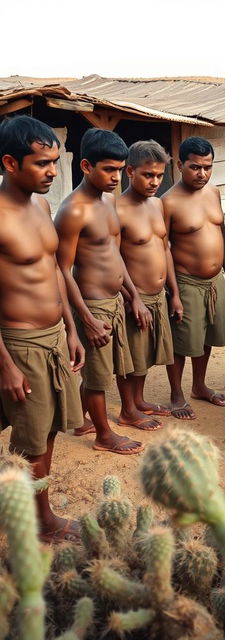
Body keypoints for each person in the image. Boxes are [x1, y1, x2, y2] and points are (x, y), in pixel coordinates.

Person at [0, 116, 85, 542]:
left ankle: (35, 509)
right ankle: (37, 519)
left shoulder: (41, 205)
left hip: (53, 337)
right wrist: (6, 365)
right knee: (30, 437)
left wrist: (70, 327)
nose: (53, 171)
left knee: (48, 428)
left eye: (55, 161)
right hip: (19, 343)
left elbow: (53, 268)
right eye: (42, 163)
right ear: (10, 163)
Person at [56, 128, 148, 455]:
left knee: (108, 368)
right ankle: (103, 436)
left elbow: (114, 255)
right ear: (85, 166)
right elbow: (62, 269)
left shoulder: (109, 202)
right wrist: (85, 319)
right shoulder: (73, 211)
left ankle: (80, 419)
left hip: (114, 300)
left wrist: (133, 295)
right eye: (108, 169)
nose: (116, 177)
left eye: (120, 169)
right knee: (96, 377)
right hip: (91, 304)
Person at [161, 136, 225, 419]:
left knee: (207, 336)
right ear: (180, 165)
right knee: (182, 341)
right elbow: (164, 247)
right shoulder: (168, 202)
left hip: (215, 280)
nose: (202, 173)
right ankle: (176, 394)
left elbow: (221, 232)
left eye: (207, 167)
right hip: (186, 282)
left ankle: (199, 386)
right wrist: (174, 293)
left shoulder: (213, 192)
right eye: (195, 167)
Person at [116, 140, 180, 427]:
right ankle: (128, 410)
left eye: (159, 175)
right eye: (148, 175)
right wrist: (133, 299)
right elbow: (114, 259)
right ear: (130, 171)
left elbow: (164, 248)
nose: (155, 182)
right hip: (135, 296)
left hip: (158, 294)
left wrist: (174, 293)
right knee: (132, 355)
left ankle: (139, 400)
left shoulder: (157, 204)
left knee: (147, 352)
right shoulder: (118, 210)